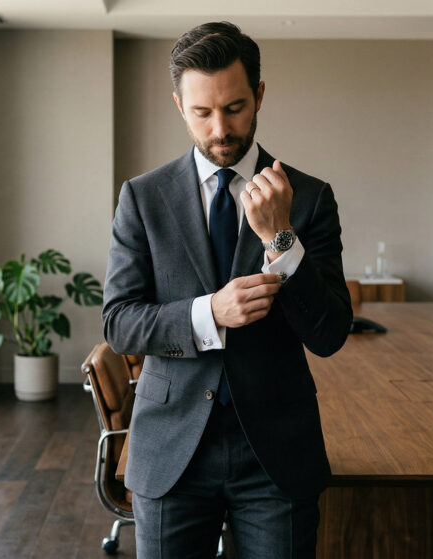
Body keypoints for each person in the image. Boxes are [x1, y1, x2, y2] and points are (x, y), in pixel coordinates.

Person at [102, 21, 351, 559]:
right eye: (202, 112)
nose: (220, 128)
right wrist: (209, 313)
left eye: (235, 108)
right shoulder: (142, 199)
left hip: (276, 455)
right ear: (179, 105)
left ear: (259, 95)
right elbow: (119, 321)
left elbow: (330, 334)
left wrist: (282, 239)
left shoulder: (308, 199)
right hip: (171, 449)